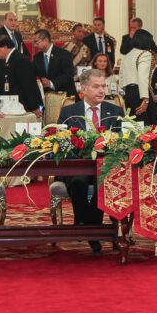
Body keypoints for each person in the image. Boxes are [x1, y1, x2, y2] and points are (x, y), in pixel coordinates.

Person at [58, 69, 125, 252]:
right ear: (83, 88)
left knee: (102, 181)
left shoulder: (116, 111)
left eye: (103, 86)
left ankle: (89, 228)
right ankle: (89, 226)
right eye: (96, 87)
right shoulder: (69, 112)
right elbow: (61, 141)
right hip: (77, 163)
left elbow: (124, 141)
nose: (101, 91)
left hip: (106, 164)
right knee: (78, 181)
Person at [0, 33, 43, 116]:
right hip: (12, 106)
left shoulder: (20, 60)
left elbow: (29, 85)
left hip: (23, 108)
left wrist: (35, 107)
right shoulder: (9, 60)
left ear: (4, 47)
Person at [119, 29, 157, 125]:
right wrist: (145, 100)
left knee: (134, 124)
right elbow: (143, 77)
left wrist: (128, 91)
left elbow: (121, 78)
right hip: (141, 93)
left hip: (128, 93)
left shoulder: (126, 55)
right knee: (150, 122)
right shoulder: (145, 54)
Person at [32, 29, 77, 97]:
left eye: (36, 42)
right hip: (47, 98)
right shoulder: (37, 58)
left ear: (46, 40)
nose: (35, 45)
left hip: (65, 97)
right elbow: (32, 74)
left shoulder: (64, 54)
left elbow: (69, 74)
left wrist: (51, 83)